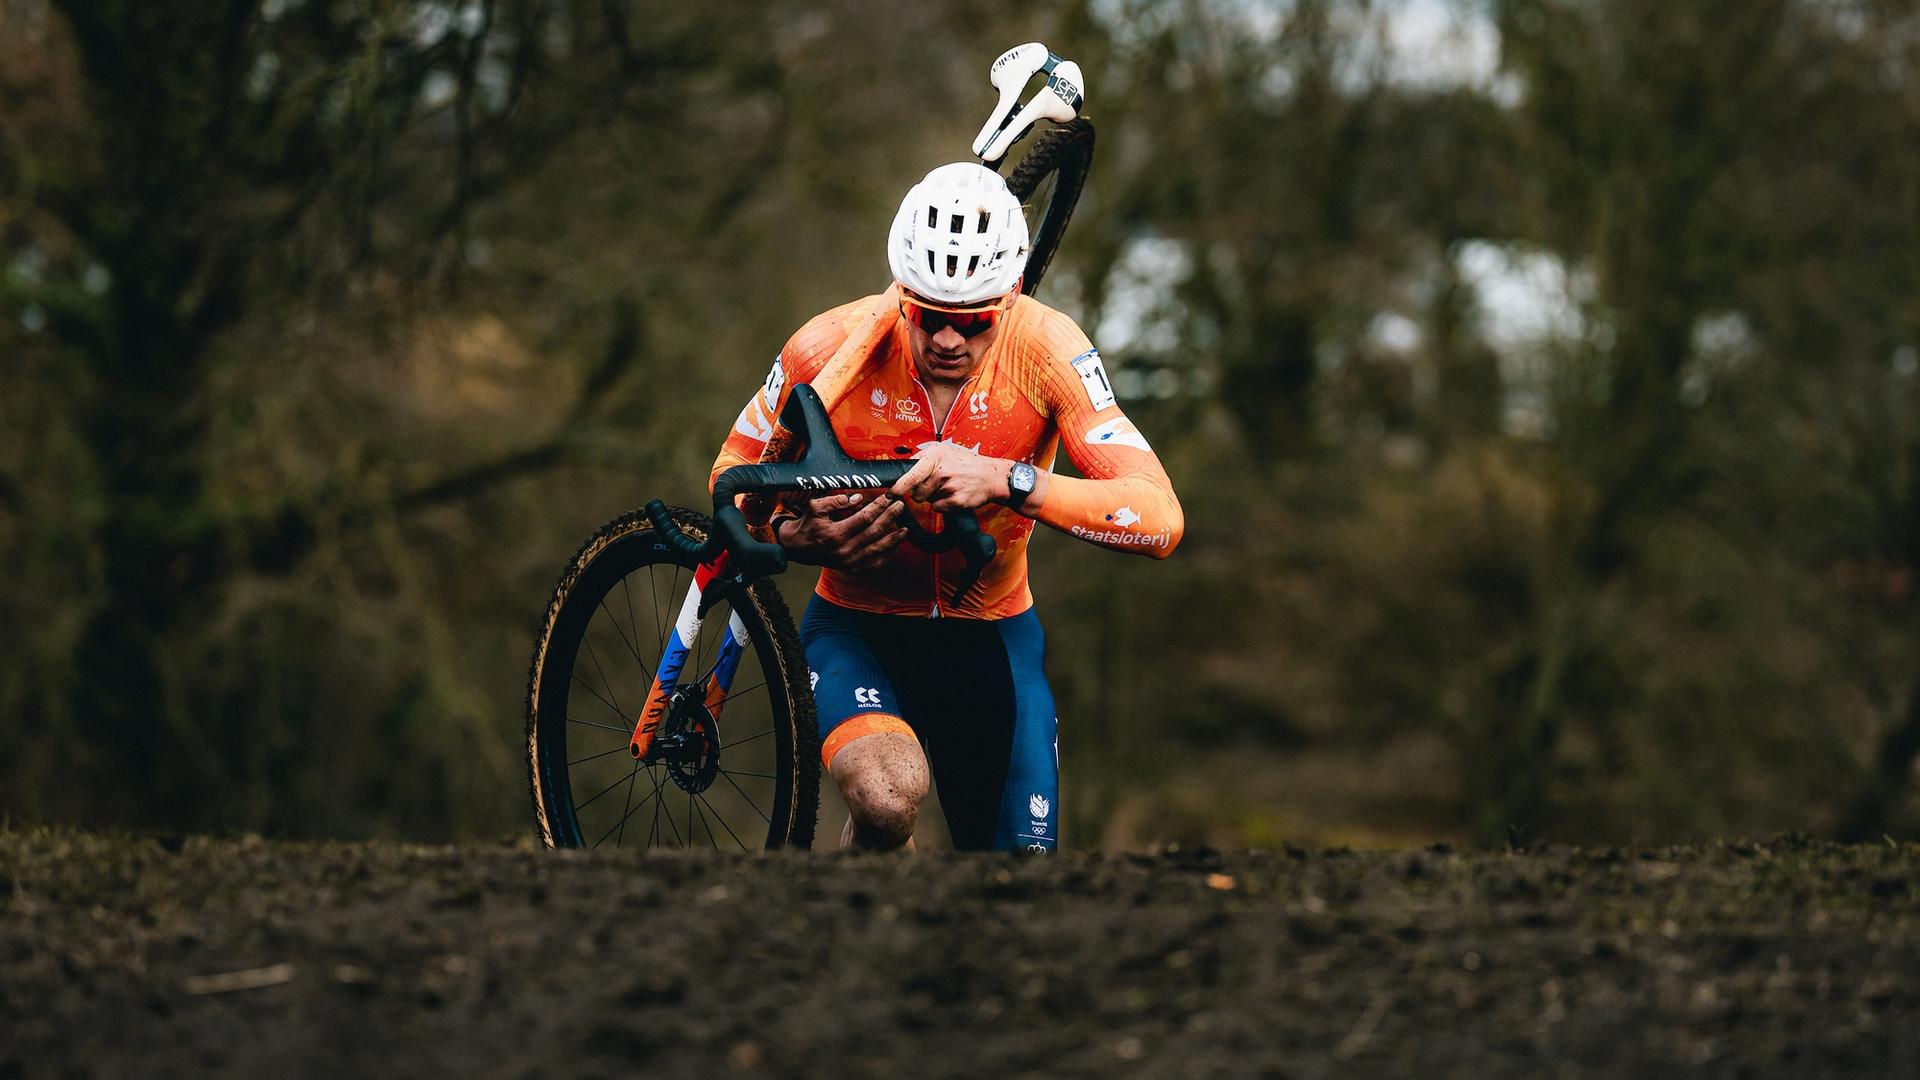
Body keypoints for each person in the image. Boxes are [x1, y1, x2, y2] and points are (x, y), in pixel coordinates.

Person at [711, 162, 1182, 852]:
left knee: (1018, 878)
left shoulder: (1049, 350)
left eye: (974, 323)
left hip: (992, 638)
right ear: (902, 292)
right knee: (886, 801)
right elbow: (730, 476)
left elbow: (1158, 518)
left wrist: (1006, 480)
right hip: (856, 627)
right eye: (928, 317)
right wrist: (797, 533)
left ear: (1012, 296)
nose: (947, 341)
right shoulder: (827, 348)